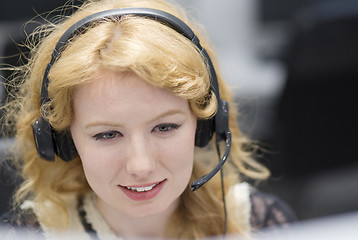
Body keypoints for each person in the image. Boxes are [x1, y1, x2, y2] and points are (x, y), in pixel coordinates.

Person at [0, 0, 296, 239]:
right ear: (61, 140)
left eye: (165, 127)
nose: (141, 166)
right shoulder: (28, 233)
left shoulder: (259, 223)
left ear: (205, 125)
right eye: (107, 134)